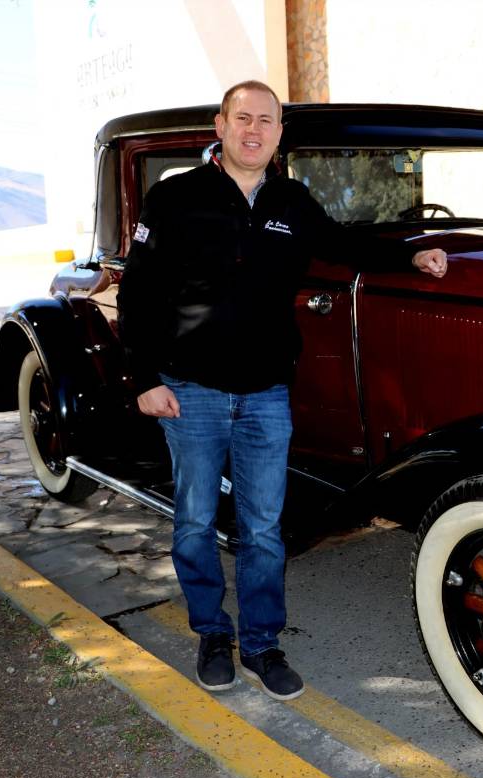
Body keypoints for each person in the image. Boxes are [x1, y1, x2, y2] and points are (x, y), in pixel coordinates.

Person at [117, 80, 448, 701]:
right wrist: (144, 381)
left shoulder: (293, 201)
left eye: (265, 121)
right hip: (193, 393)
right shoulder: (174, 197)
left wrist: (412, 256)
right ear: (219, 125)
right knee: (193, 521)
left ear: (277, 134)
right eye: (242, 118)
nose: (253, 130)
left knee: (265, 528)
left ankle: (263, 644)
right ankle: (213, 634)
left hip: (266, 394)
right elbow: (137, 293)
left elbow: (346, 246)